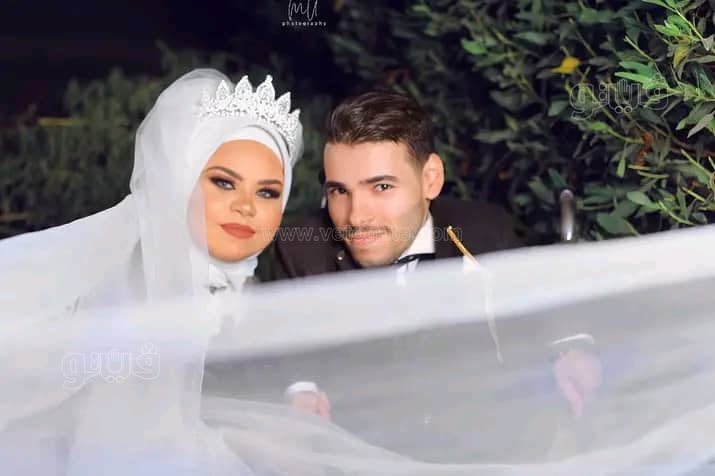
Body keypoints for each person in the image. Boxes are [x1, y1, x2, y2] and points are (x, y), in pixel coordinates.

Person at [255, 91, 602, 460]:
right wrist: (301, 389)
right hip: (360, 455)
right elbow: (282, 346)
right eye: (340, 191)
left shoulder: (485, 229)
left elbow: (538, 299)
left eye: (381, 187)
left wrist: (570, 347)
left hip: (488, 450)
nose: (356, 216)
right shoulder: (300, 249)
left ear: (430, 179)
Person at [0, 68, 303, 474]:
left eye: (267, 192)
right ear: (180, 181)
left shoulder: (268, 291)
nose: (246, 206)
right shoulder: (119, 288)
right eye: (223, 183)